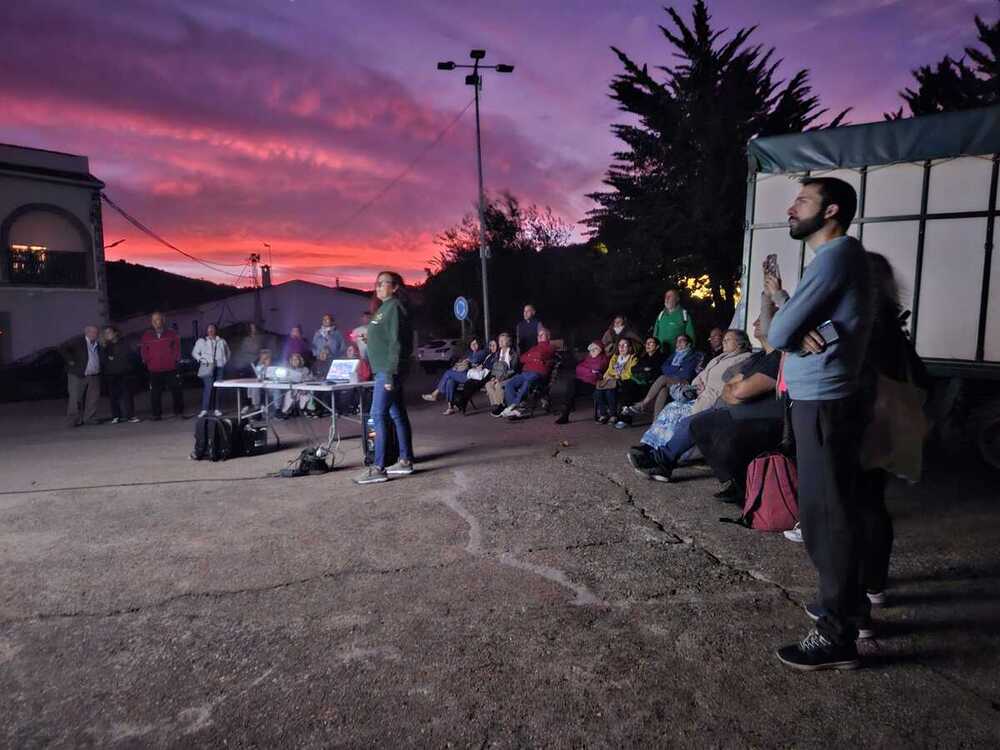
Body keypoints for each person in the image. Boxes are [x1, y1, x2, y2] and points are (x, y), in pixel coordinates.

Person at [765, 176, 875, 672]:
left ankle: (836, 635)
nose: (792, 207)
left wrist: (793, 324)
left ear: (831, 211)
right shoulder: (836, 259)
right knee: (832, 511)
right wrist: (798, 320)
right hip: (822, 401)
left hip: (824, 404)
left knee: (825, 519)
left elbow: (779, 331)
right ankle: (849, 607)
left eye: (802, 200)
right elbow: (795, 329)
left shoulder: (836, 257)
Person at [632, 318, 782, 484]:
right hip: (716, 398)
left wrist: (728, 390)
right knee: (674, 408)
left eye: (727, 339)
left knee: (688, 420)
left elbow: (736, 388)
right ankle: (654, 451)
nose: (754, 323)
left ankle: (661, 458)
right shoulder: (756, 358)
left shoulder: (760, 358)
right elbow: (719, 381)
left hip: (728, 403)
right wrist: (701, 386)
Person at [355, 270, 415, 484]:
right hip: (382, 369)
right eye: (377, 283)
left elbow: (397, 343)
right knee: (397, 414)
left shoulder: (394, 308)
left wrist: (389, 374)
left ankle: (378, 467)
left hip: (387, 371)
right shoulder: (383, 309)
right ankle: (405, 461)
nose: (378, 287)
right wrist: (368, 337)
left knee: (377, 415)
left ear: (395, 287)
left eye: (383, 283)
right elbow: (384, 340)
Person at [622, 334, 699, 418]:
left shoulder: (692, 355)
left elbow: (686, 373)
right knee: (663, 390)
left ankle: (643, 404)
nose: (679, 342)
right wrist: (678, 368)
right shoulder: (673, 355)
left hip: (684, 381)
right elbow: (664, 368)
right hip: (670, 381)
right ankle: (655, 423)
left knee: (663, 378)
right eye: (677, 341)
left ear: (688, 344)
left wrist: (671, 370)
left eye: (682, 340)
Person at [422, 337, 488, 414]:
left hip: (473, 377)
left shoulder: (482, 352)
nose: (473, 345)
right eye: (472, 344)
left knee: (448, 373)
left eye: (475, 343)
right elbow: (463, 362)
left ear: (479, 344)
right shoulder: (469, 353)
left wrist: (467, 360)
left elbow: (475, 360)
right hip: (465, 374)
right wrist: (465, 361)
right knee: (450, 381)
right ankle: (450, 407)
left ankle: (435, 394)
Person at [499, 328, 556, 417]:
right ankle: (514, 408)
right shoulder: (534, 347)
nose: (539, 336)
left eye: (542, 334)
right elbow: (522, 358)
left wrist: (531, 357)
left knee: (528, 381)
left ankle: (513, 406)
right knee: (509, 384)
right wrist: (534, 357)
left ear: (548, 337)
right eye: (538, 335)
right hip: (525, 373)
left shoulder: (551, 347)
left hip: (538, 374)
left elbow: (540, 355)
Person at [140, 311, 183, 421]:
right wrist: (147, 360)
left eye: (157, 319)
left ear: (163, 320)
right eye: (153, 320)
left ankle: (178, 412)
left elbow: (177, 348)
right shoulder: (147, 335)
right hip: (154, 369)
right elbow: (144, 350)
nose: (155, 322)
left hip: (170, 368)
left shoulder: (171, 333)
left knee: (176, 389)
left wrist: (174, 359)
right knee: (155, 393)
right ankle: (156, 414)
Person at [554, 341, 609, 425]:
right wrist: (590, 371)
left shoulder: (603, 358)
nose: (593, 351)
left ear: (600, 350)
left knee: (571, 389)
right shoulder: (588, 358)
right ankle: (565, 414)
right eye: (591, 349)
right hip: (583, 381)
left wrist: (586, 371)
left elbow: (598, 369)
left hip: (594, 385)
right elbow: (578, 368)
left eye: (596, 349)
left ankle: (565, 413)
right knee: (571, 383)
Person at [59, 325, 102, 427]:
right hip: (77, 374)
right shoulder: (78, 340)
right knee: (75, 398)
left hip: (94, 374)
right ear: (86, 332)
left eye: (95, 332)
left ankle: (89, 418)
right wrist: (70, 360)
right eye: (91, 332)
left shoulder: (97, 343)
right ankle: (73, 420)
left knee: (93, 398)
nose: (94, 334)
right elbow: (62, 347)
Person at [593, 337, 639, 426]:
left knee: (610, 391)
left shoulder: (633, 358)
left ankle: (613, 415)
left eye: (624, 345)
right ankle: (603, 414)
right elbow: (609, 370)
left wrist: (616, 375)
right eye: (619, 345)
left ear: (630, 347)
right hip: (611, 380)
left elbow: (629, 373)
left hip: (624, 382)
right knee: (597, 392)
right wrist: (609, 375)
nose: (621, 347)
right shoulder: (615, 357)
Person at [101, 326, 139, 424]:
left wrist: (128, 367)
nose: (107, 334)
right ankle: (116, 416)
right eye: (105, 333)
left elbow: (132, 356)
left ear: (115, 333)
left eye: (109, 332)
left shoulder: (124, 343)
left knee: (127, 396)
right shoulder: (105, 347)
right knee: (113, 397)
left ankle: (130, 416)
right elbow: (103, 360)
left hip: (125, 374)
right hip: (111, 375)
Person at [192, 323, 230, 418]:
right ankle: (204, 409)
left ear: (215, 330)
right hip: (208, 366)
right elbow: (194, 352)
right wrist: (201, 360)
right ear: (206, 331)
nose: (210, 331)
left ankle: (217, 409)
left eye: (212, 329)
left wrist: (224, 361)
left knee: (218, 388)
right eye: (209, 329)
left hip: (219, 367)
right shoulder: (202, 341)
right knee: (208, 388)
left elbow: (228, 352)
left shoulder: (221, 341)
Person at [483, 334, 520, 415]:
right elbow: (495, 368)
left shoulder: (512, 353)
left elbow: (513, 370)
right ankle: (497, 405)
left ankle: (501, 406)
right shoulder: (498, 353)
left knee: (498, 385)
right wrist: (493, 377)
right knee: (488, 385)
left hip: (510, 376)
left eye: (502, 340)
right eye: (499, 340)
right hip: (498, 377)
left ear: (508, 342)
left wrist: (500, 379)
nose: (500, 342)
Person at [652, 288, 696, 354]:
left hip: (676, 355)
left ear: (677, 299)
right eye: (666, 296)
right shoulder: (661, 314)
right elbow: (655, 334)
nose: (667, 298)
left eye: (670, 296)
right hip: (660, 354)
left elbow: (691, 337)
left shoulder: (684, 315)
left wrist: (689, 352)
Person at [279, 353, 312, 417]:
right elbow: (283, 379)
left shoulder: (305, 369)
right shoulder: (287, 370)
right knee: (289, 394)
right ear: (291, 361)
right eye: (293, 359)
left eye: (297, 359)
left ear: (300, 360)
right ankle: (287, 411)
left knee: (306, 393)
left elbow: (310, 378)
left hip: (302, 389)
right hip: (291, 388)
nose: (295, 361)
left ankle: (303, 409)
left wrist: (303, 379)